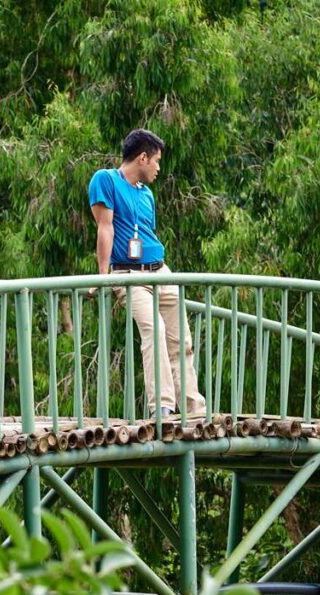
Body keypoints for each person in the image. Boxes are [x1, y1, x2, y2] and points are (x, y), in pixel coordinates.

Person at [88, 128, 206, 418]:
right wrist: (103, 277)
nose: (158, 168)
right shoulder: (106, 180)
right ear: (142, 157)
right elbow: (105, 227)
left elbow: (146, 233)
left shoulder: (147, 194)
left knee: (182, 341)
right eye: (156, 161)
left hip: (160, 271)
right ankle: (163, 408)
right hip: (128, 275)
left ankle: (194, 411)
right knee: (154, 329)